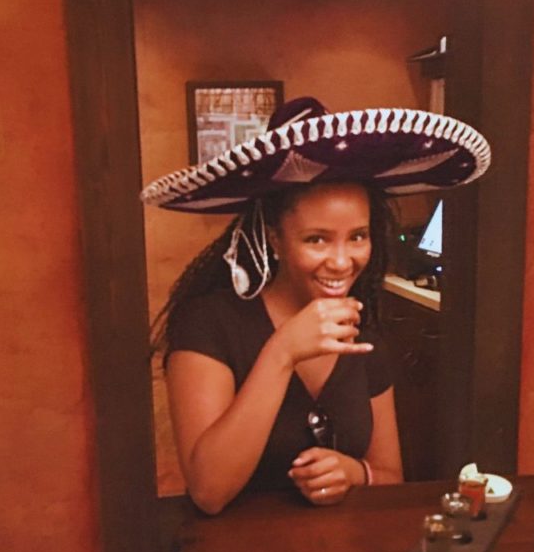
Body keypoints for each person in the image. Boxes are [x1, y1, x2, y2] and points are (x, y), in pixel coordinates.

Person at [144, 97, 490, 515]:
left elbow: (390, 475)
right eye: (317, 239)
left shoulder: (362, 330)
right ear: (275, 240)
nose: (343, 262)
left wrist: (356, 473)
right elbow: (208, 491)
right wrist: (282, 352)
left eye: (358, 236)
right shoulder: (208, 323)